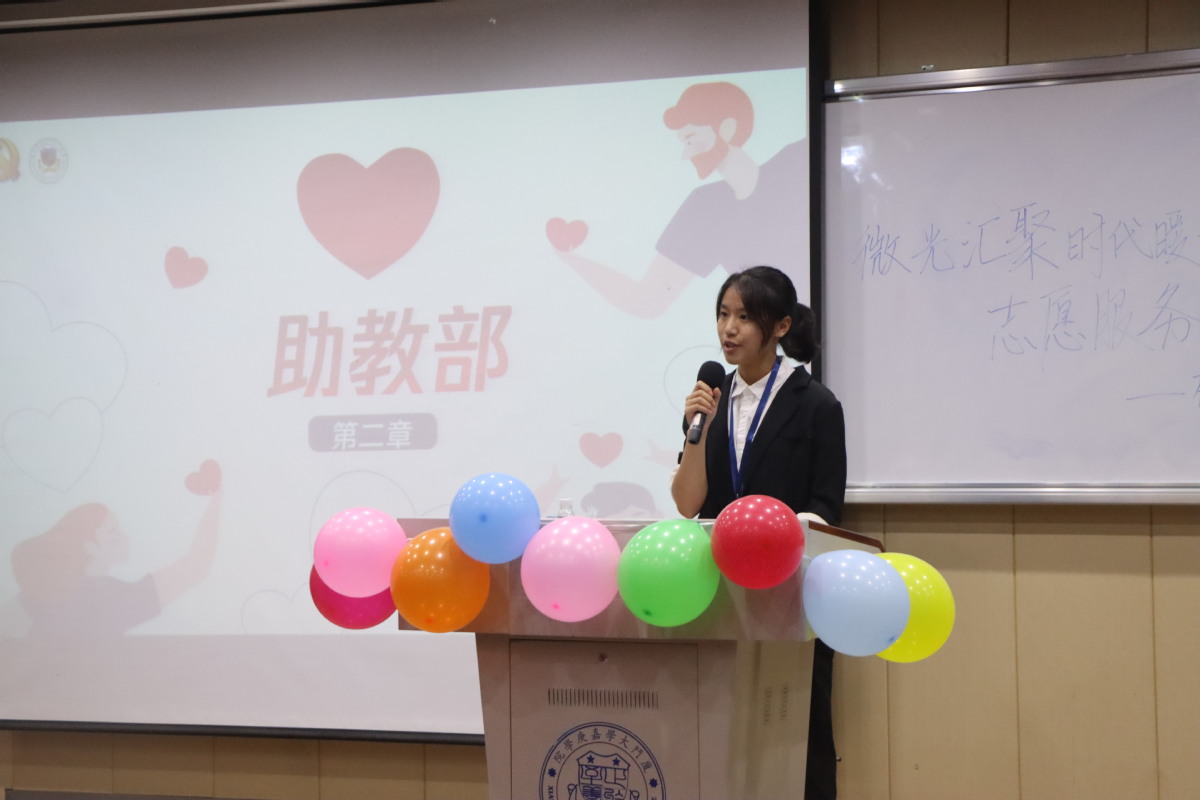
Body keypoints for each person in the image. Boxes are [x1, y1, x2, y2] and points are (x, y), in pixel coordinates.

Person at [672, 265, 847, 800]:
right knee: (717, 733)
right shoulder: (710, 400)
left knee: (798, 737)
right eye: (723, 314)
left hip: (791, 595)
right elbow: (687, 504)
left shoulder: (816, 404)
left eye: (745, 317)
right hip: (719, 593)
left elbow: (826, 508)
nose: (729, 329)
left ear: (780, 326)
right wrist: (697, 430)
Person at [550, 81, 807, 318]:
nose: (687, 154)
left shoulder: (797, 161)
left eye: (691, 139)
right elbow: (648, 300)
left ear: (727, 128)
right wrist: (571, 259)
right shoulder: (705, 208)